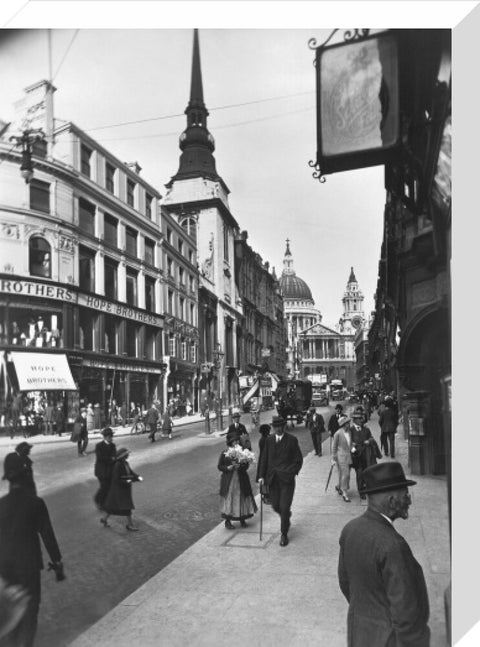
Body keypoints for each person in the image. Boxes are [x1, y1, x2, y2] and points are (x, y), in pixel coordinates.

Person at [338, 461, 430, 647]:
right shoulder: (393, 545)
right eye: (406, 495)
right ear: (391, 501)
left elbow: (345, 582)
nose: (409, 500)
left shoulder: (350, 529)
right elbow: (406, 612)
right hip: (389, 640)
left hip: (359, 634)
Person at [0, 453, 64, 647]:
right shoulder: (35, 503)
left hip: (4, 567)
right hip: (28, 566)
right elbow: (48, 536)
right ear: (26, 475)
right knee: (29, 613)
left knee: (10, 613)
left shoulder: (0, 505)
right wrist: (58, 562)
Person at [257, 415, 303, 546]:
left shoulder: (292, 440)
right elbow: (264, 459)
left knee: (284, 506)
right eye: (275, 427)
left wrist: (292, 471)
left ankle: (284, 534)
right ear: (273, 427)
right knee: (276, 505)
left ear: (283, 426)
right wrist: (261, 476)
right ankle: (286, 515)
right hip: (272, 480)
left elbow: (298, 460)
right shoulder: (269, 441)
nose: (278, 429)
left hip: (287, 481)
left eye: (280, 426)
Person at [218, 437, 257, 529]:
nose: (236, 442)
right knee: (230, 498)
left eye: (237, 441)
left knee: (242, 497)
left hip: (241, 479)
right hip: (229, 480)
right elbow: (220, 466)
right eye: (234, 441)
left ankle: (242, 519)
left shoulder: (243, 452)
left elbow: (246, 465)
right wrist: (228, 468)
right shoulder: (225, 452)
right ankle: (228, 521)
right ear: (230, 442)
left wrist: (241, 465)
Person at [101, 447, 143, 531]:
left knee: (113, 507)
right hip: (119, 490)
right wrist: (127, 481)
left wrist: (137, 476)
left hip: (124, 489)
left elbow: (130, 472)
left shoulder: (125, 463)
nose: (128, 455)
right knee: (127, 507)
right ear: (123, 456)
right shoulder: (118, 465)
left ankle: (104, 519)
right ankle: (129, 525)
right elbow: (116, 479)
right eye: (127, 454)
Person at [350, 406, 374, 502]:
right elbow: (348, 442)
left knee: (366, 472)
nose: (361, 420)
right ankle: (361, 491)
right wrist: (353, 448)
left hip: (366, 455)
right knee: (359, 473)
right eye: (359, 418)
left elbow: (372, 438)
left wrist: (369, 441)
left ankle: (366, 487)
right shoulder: (350, 430)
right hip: (356, 456)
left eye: (362, 418)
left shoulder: (366, 429)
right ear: (354, 420)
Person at [93, 427, 117, 511]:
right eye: (109, 436)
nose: (111, 438)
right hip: (101, 471)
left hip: (109, 471)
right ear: (105, 437)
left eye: (111, 436)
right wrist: (111, 459)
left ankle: (104, 502)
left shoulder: (113, 445)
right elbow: (100, 458)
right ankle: (98, 500)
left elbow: (115, 456)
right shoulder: (99, 446)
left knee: (109, 487)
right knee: (104, 487)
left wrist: (113, 459)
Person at [331, 416, 353, 502]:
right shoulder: (337, 433)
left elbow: (350, 444)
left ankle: (338, 486)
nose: (349, 424)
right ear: (344, 424)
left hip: (348, 455)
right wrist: (333, 457)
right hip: (340, 456)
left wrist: (354, 449)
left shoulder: (350, 432)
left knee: (342, 473)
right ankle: (345, 493)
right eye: (348, 423)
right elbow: (334, 446)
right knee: (346, 474)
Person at [256, 423, 271, 503]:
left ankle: (266, 496)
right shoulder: (264, 440)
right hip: (265, 460)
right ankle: (266, 497)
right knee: (265, 477)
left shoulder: (264, 439)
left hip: (264, 459)